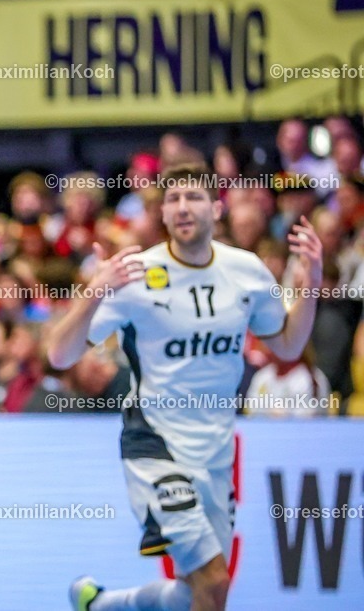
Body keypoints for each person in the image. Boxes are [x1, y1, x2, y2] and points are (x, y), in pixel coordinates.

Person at [46, 163, 321, 611]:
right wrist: (95, 290)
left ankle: (103, 605)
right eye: (172, 199)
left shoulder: (247, 272)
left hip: (216, 453)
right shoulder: (135, 274)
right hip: (155, 446)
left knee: (196, 593)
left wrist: (310, 286)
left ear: (217, 208)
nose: (182, 207)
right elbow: (59, 354)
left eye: (193, 197)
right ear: (163, 213)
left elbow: (288, 345)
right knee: (213, 581)